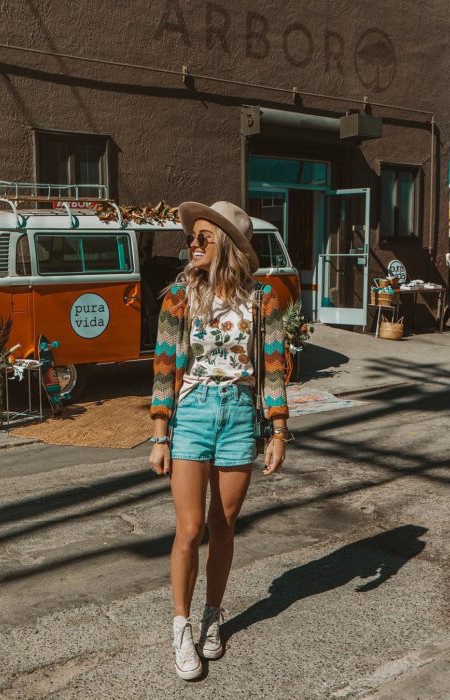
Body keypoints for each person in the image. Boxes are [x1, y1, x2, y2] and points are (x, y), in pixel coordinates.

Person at [149, 200, 290, 680]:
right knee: (189, 529)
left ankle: (213, 615)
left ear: (226, 243)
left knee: (224, 524)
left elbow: (274, 366)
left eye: (203, 237)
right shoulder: (178, 295)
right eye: (191, 238)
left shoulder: (262, 298)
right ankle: (181, 626)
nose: (193, 244)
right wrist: (159, 432)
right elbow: (165, 365)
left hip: (238, 415)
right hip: (192, 412)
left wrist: (278, 429)